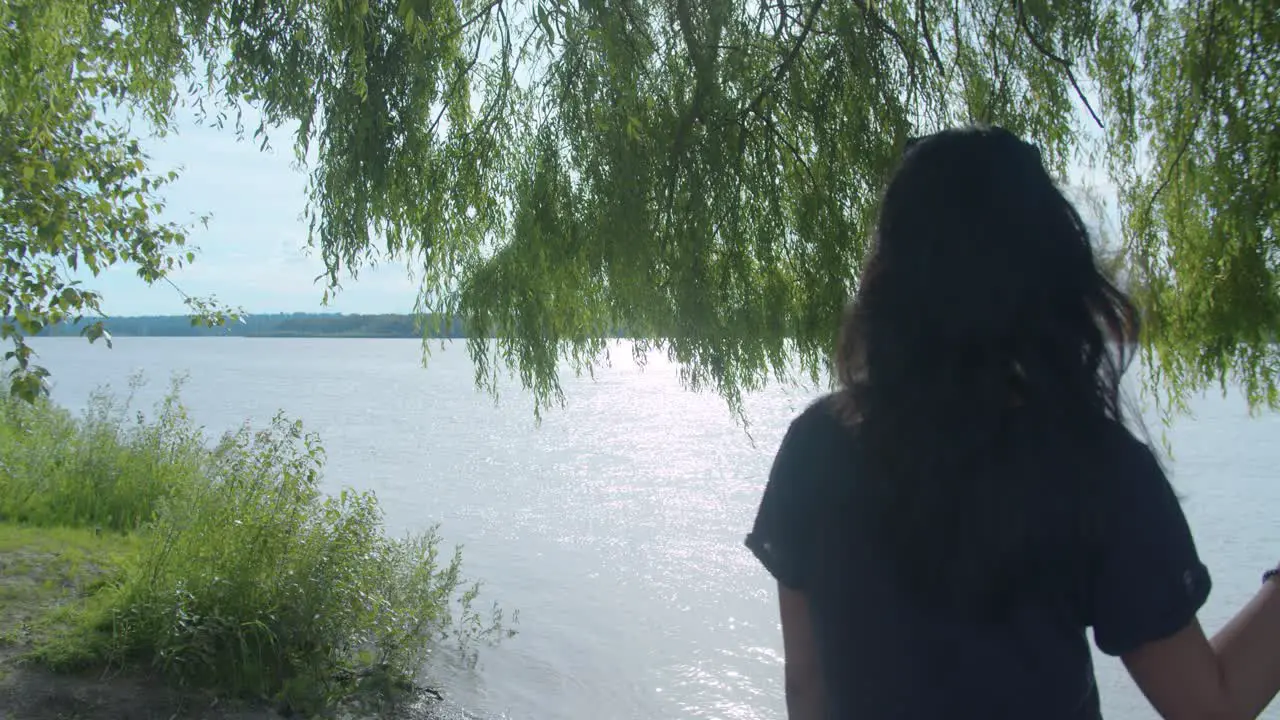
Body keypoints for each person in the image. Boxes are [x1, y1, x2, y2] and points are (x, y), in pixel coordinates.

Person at [744, 125, 1280, 720]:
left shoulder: (817, 444)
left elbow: (806, 690)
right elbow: (1212, 708)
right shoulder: (1092, 465)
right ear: (1051, 275)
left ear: (892, 277)